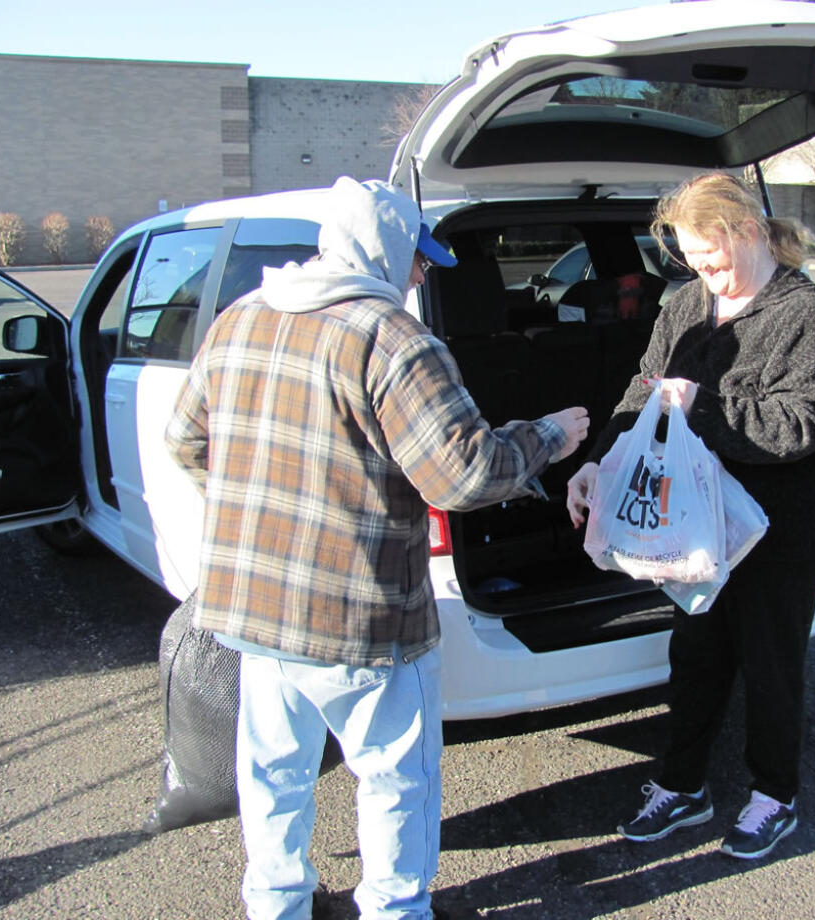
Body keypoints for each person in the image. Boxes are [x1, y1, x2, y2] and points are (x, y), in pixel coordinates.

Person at [165, 176, 589, 919]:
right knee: (395, 777)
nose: (422, 273)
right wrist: (551, 435)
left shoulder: (238, 318)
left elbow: (186, 441)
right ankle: (396, 911)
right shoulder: (391, 339)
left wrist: (263, 520)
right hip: (360, 619)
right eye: (419, 259)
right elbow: (464, 473)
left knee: (273, 772)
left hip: (256, 613)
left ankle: (278, 906)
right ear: (384, 249)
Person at [565, 172, 815, 861]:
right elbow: (646, 385)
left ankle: (773, 796)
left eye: (714, 258)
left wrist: (705, 406)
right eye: (693, 261)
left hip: (778, 527)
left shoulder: (807, 314)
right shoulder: (688, 303)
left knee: (771, 665)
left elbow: (800, 426)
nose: (705, 274)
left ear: (750, 231)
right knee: (695, 657)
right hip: (696, 525)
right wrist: (599, 464)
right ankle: (683, 786)